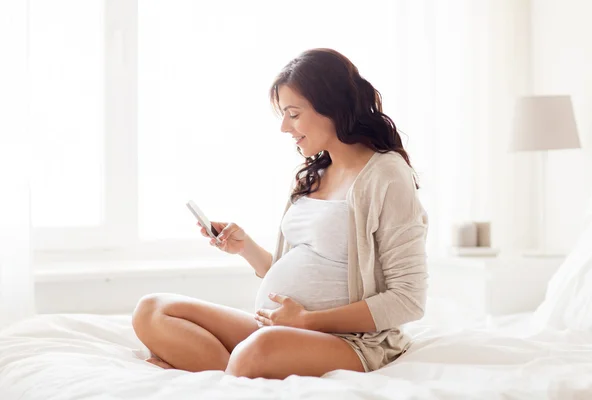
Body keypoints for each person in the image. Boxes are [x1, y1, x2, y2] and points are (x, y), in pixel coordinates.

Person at [132, 48, 428, 379]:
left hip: (349, 341)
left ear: (333, 107)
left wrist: (307, 322)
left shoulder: (386, 174)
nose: (285, 127)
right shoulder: (310, 175)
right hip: (276, 327)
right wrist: (244, 248)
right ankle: (228, 371)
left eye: (293, 113)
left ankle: (213, 369)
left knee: (257, 351)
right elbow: (299, 268)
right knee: (152, 310)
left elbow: (408, 299)